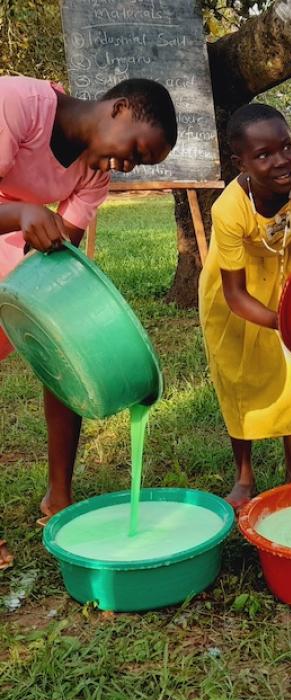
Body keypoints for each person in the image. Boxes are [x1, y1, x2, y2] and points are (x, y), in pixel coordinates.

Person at [0, 75, 177, 569]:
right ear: (118, 108)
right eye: (136, 150)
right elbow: (26, 219)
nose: (127, 165)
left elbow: (60, 253)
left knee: (64, 342)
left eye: (139, 164)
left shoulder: (94, 173)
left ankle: (59, 496)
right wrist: (19, 211)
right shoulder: (16, 105)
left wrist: (77, 329)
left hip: (12, 241)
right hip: (9, 222)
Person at [199, 103, 291, 510]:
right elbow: (234, 295)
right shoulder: (228, 209)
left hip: (288, 285)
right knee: (238, 378)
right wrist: (284, 324)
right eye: (263, 155)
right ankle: (244, 475)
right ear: (241, 162)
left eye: (286, 147)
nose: (281, 161)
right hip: (237, 297)